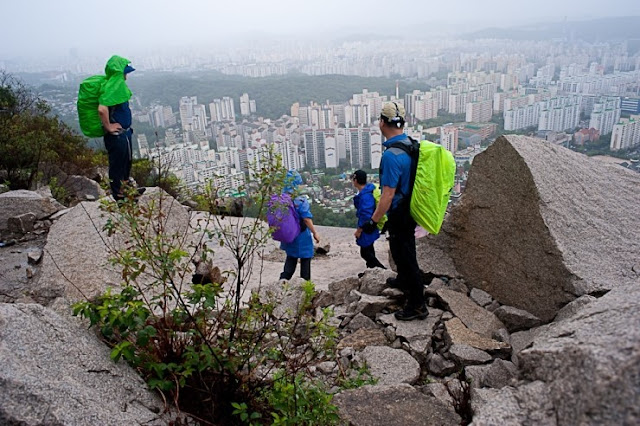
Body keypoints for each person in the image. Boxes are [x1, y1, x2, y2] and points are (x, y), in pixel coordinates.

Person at [362, 102, 427, 321]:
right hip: (410, 206)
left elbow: (387, 195)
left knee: (407, 255)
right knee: (399, 249)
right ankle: (403, 280)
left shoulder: (391, 156)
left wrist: (373, 221)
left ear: (382, 122)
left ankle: (418, 304)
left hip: (400, 210)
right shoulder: (410, 144)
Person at [98, 55, 142, 202]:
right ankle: (119, 197)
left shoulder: (117, 87)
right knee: (117, 166)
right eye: (124, 73)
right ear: (118, 73)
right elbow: (102, 109)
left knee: (126, 163)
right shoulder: (111, 89)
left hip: (124, 133)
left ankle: (129, 191)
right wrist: (108, 127)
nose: (126, 77)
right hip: (116, 135)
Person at [279, 170, 321, 281]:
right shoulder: (301, 201)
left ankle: (282, 283)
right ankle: (305, 287)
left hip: (288, 236)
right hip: (302, 237)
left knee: (291, 260)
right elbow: (306, 219)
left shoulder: (281, 200)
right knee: (305, 260)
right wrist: (315, 232)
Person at [351, 170, 386, 270]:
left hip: (368, 226)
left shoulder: (366, 195)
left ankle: (381, 271)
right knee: (369, 249)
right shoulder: (366, 192)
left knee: (365, 252)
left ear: (356, 180)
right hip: (369, 225)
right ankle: (371, 271)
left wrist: (359, 230)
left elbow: (366, 215)